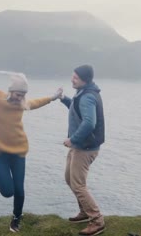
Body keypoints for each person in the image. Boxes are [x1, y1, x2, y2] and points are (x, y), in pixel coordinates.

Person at [0, 37, 63, 233]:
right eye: (17, 94)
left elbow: (36, 102)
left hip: (19, 152)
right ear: (11, 90)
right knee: (7, 191)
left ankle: (16, 218)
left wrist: (54, 97)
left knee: (19, 190)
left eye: (23, 95)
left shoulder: (22, 104)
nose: (20, 98)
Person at [60, 64, 106, 236]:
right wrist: (63, 98)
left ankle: (97, 221)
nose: (72, 79)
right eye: (73, 75)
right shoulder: (83, 92)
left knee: (78, 185)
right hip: (79, 146)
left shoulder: (87, 97)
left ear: (85, 80)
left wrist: (73, 139)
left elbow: (89, 122)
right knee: (70, 179)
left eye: (76, 77)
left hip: (84, 148)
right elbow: (76, 107)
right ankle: (85, 212)